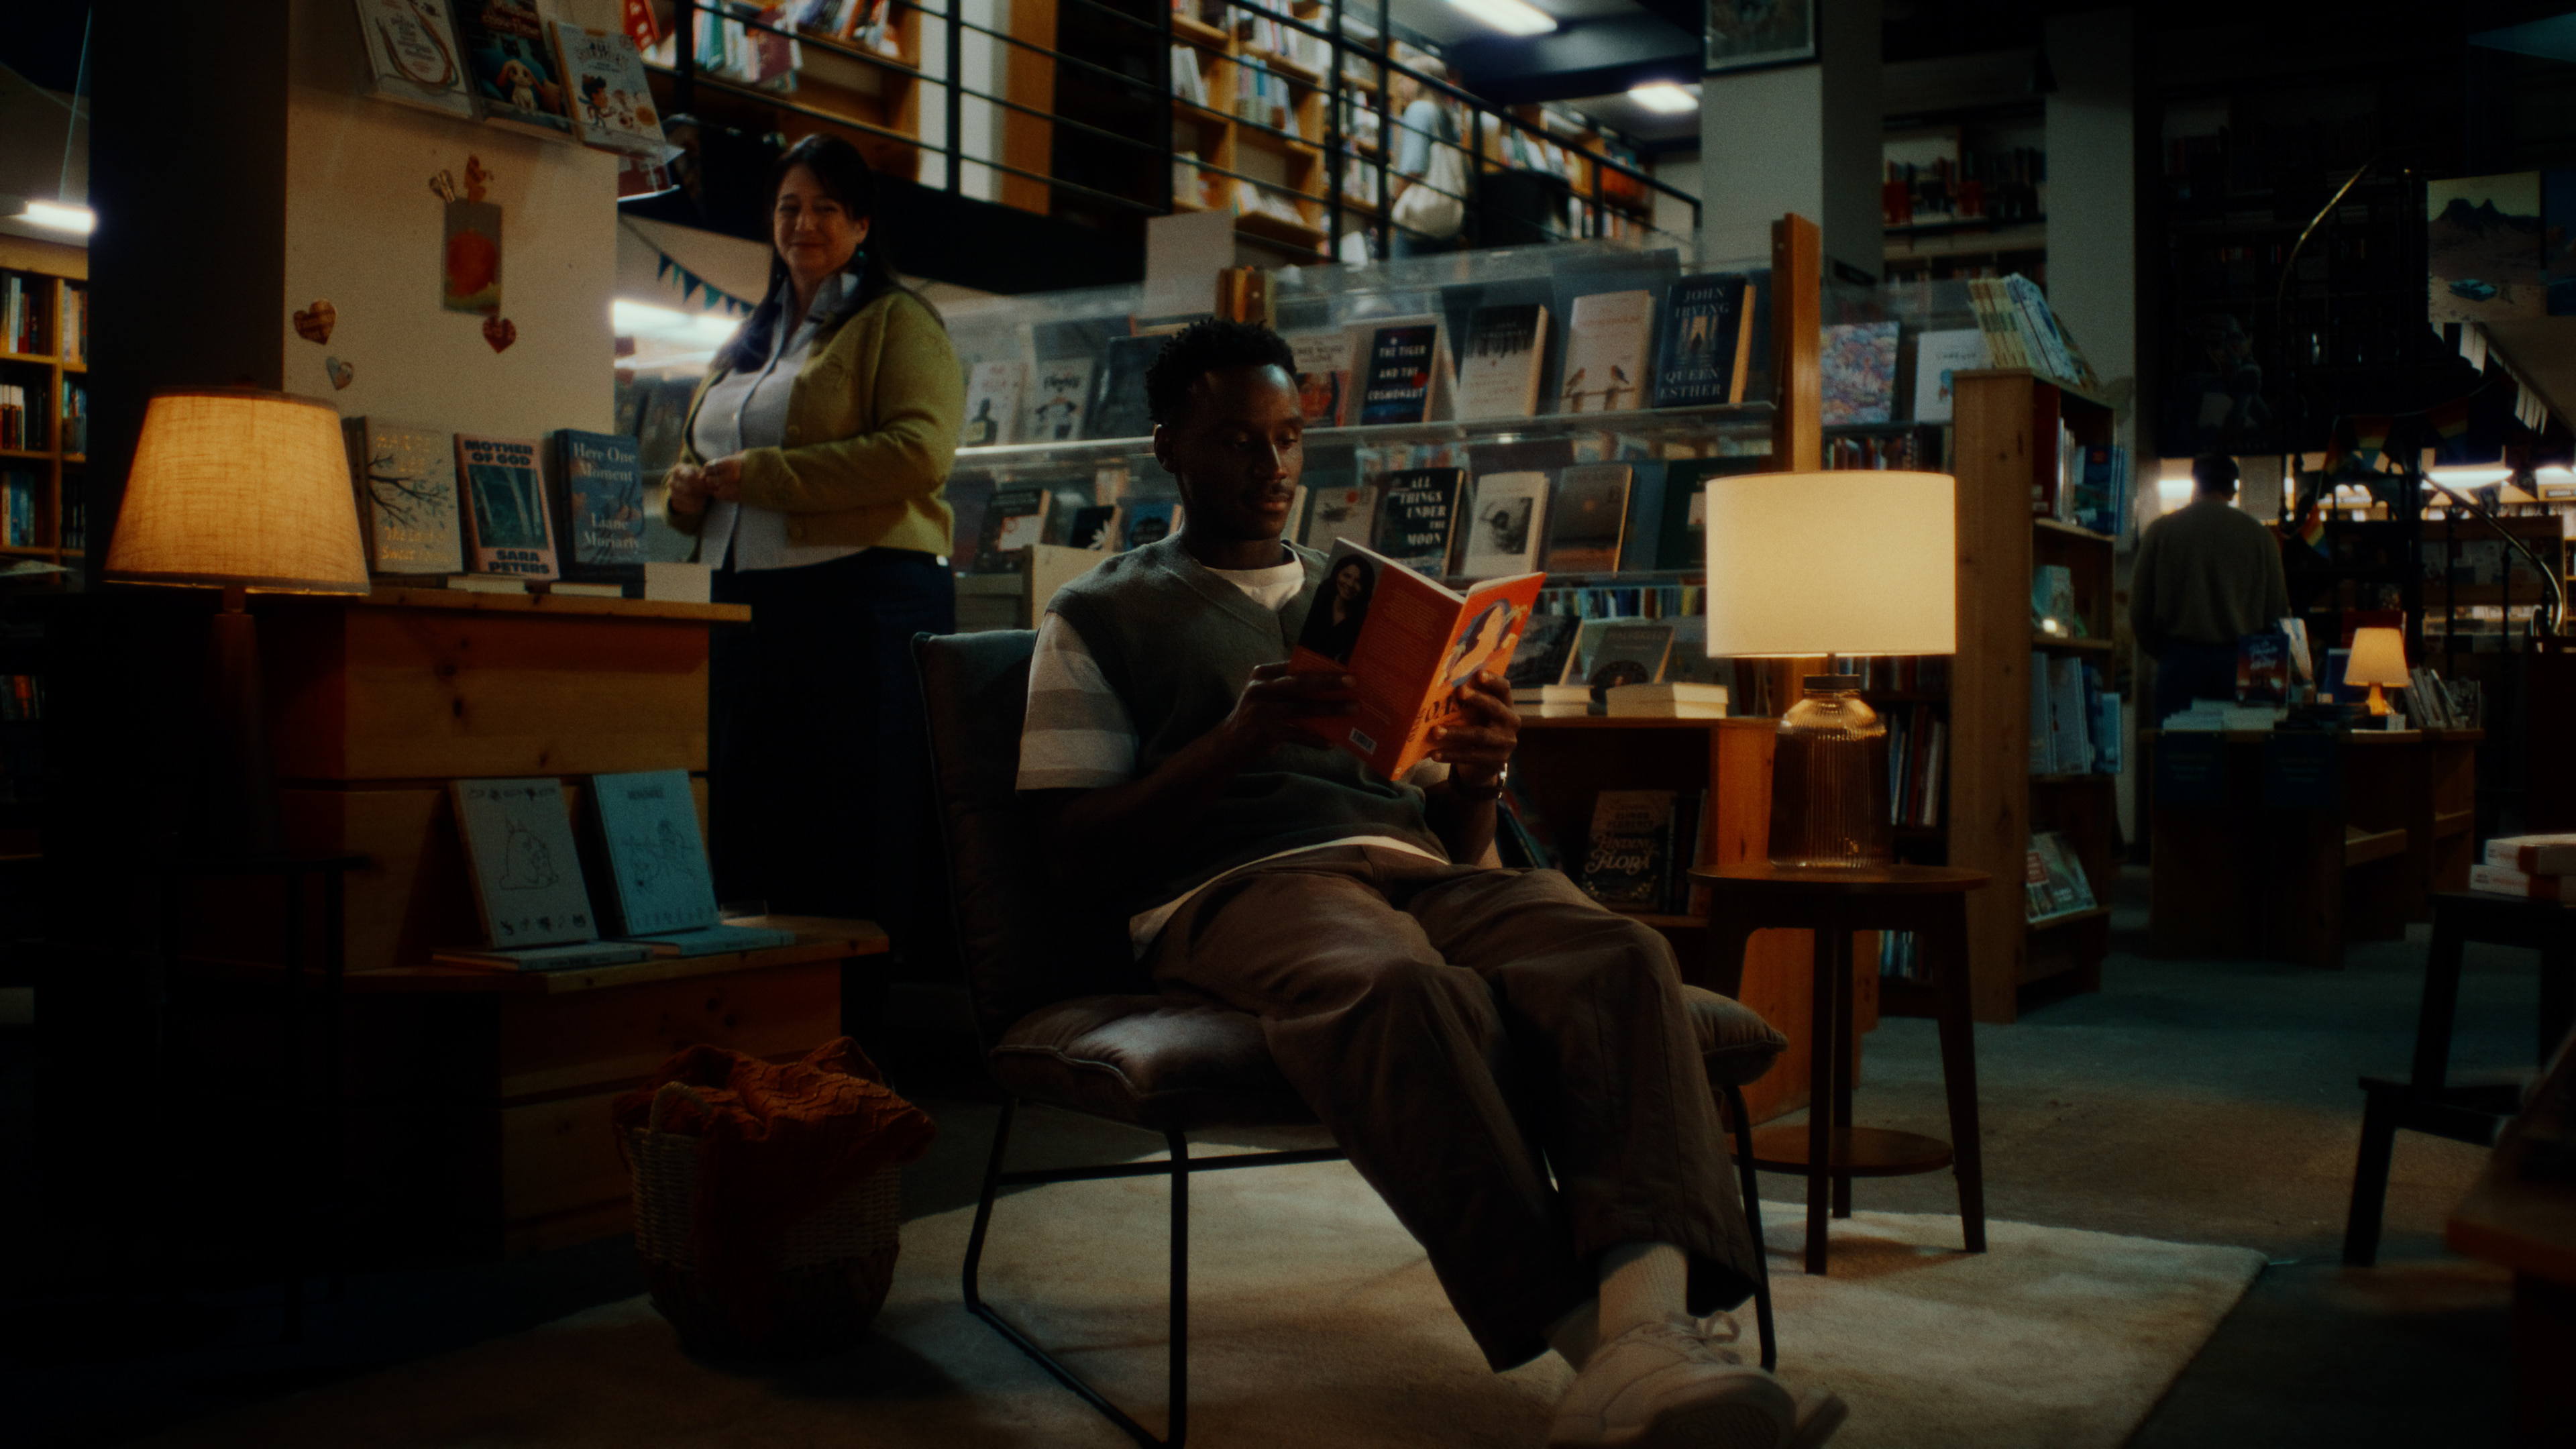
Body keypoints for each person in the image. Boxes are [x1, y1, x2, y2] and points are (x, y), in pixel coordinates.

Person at [1016, 320, 1843, 1449]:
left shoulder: (1364, 601)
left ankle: (1650, 1335)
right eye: (1237, 442)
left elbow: (1456, 837)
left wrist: (1481, 772)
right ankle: (1603, 1355)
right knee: (1396, 986)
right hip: (1241, 885)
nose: (1272, 467)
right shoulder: (1097, 614)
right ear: (1169, 447)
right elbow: (1068, 851)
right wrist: (1232, 745)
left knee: (1616, 949)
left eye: (1288, 438)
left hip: (1414, 867)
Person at [665, 133, 963, 948]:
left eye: (826, 208)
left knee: (847, 819)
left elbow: (920, 453)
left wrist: (765, 476)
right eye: (789, 207)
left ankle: (854, 1008)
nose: (804, 224)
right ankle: (761, 999)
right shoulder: (750, 335)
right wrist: (682, 493)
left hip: (856, 599)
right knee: (747, 808)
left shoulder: (897, 321)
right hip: (744, 600)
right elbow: (699, 450)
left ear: (862, 224)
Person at [2129, 454, 2291, 724]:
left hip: (2180, 662)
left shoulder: (2161, 531)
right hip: (2243, 663)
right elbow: (2278, 614)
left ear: (2195, 483)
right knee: (2240, 746)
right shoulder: (2260, 537)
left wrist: (2166, 652)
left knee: (2180, 747)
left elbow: (2139, 610)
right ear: (2233, 489)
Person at [1388, 58, 1464, 259]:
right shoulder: (1446, 116)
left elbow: (1414, 168)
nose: (1400, 86)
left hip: (1419, 218)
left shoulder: (1418, 110)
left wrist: (1393, 200)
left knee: (1406, 277)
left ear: (1417, 81)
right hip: (1445, 220)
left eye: (1404, 79)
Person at [1302, 552, 1375, 664]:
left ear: (1365, 588)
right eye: (1346, 576)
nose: (1350, 584)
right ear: (1337, 573)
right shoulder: (1317, 596)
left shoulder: (1362, 620)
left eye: (1358, 582)